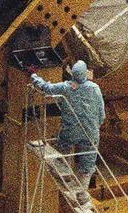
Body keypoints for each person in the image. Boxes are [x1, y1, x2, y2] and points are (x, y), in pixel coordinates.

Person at [31, 60, 105, 203]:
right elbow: (101, 112)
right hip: (91, 132)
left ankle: (64, 176)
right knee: (88, 162)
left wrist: (33, 75)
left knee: (64, 150)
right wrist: (96, 126)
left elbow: (46, 88)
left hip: (70, 131)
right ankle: (82, 195)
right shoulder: (94, 88)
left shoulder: (66, 87)